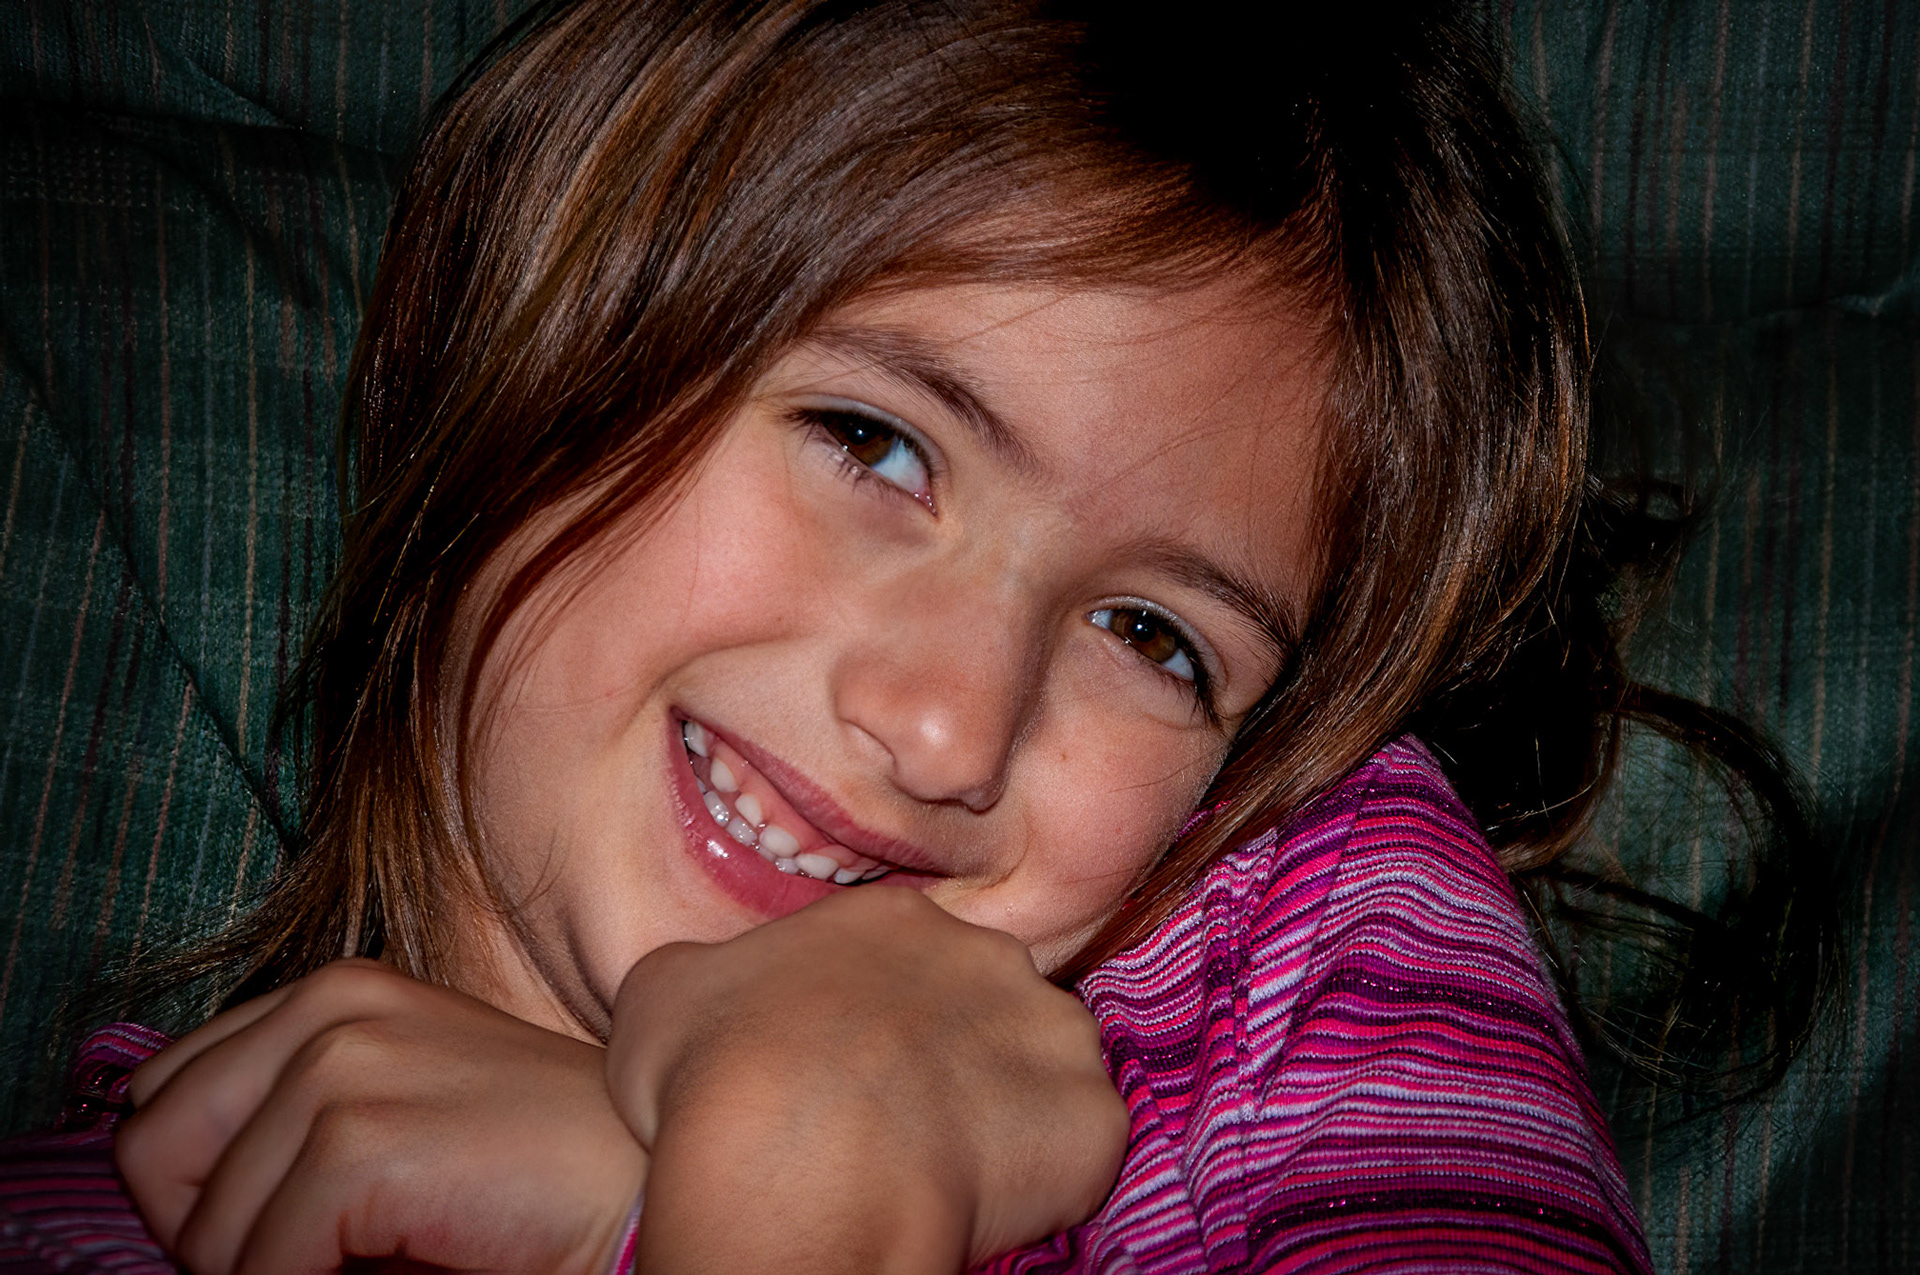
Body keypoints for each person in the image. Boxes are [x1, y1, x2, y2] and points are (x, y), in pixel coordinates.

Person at [0, 0, 1827, 1271]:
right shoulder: (126, 1199)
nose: (950, 727)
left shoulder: (1294, 954)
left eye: (1152, 636)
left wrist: (785, 1168)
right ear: (527, 323)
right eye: (875, 445)